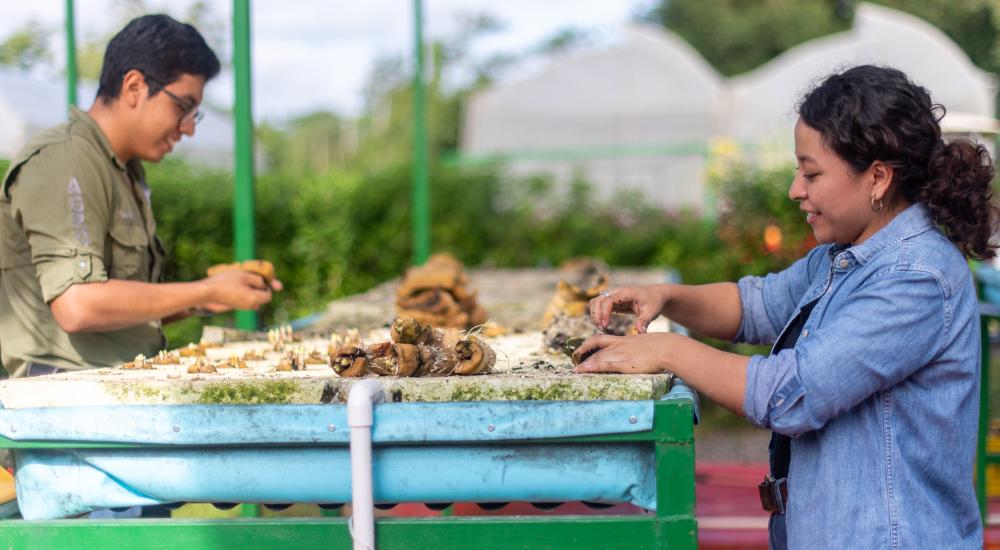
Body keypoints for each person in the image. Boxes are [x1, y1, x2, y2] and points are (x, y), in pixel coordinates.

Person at [574, 65, 995, 548]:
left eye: (811, 173)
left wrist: (668, 351)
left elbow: (792, 394)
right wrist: (667, 297)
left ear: (878, 178)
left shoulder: (915, 279)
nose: (796, 189)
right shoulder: (843, 257)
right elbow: (754, 304)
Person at [0, 14, 279, 379]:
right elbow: (78, 304)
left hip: (113, 388)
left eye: (195, 114)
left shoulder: (123, 170)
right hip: (62, 398)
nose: (189, 128)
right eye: (183, 107)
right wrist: (202, 291)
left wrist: (211, 297)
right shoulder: (64, 160)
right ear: (134, 86)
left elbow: (120, 310)